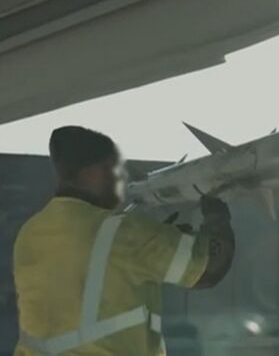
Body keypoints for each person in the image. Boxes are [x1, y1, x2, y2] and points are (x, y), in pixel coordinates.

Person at [13, 126, 236, 355]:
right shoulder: (125, 233)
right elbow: (209, 268)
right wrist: (216, 215)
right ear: (93, 173)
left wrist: (156, 242)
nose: (119, 179)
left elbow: (86, 276)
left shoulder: (29, 232)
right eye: (115, 170)